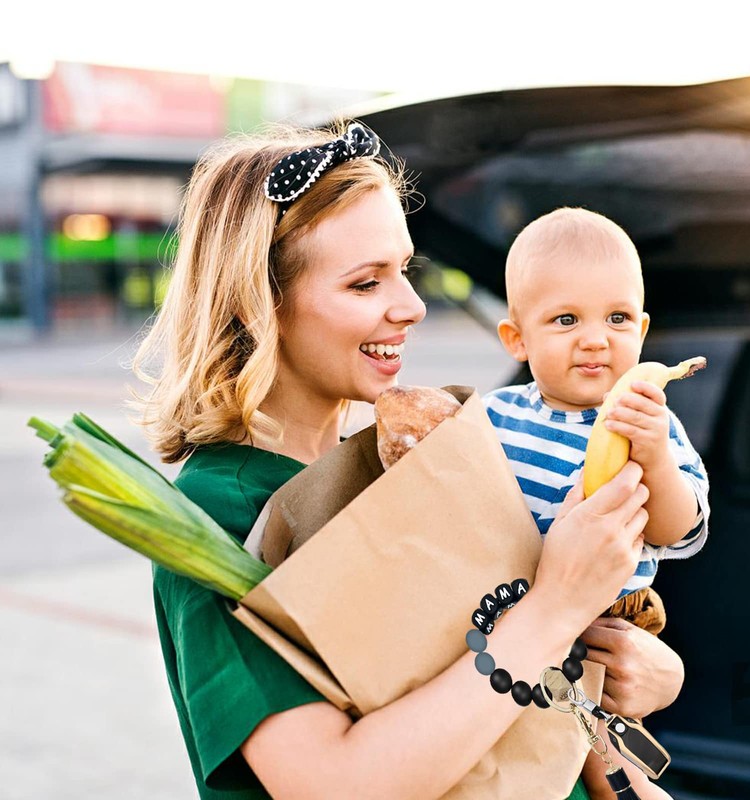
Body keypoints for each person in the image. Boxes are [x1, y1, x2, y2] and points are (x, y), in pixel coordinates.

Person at [129, 123, 682, 800]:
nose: (413, 307)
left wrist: (631, 669)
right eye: (366, 284)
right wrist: (555, 609)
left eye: (405, 271)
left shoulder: (401, 464)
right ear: (262, 305)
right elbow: (334, 784)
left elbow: (513, 693)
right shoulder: (221, 515)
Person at [483, 206, 710, 797]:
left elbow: (678, 529)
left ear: (640, 330)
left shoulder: (649, 425)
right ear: (517, 338)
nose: (595, 338)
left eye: (616, 318)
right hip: (503, 606)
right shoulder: (493, 417)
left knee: (609, 760)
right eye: (565, 319)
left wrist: (655, 458)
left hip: (606, 616)